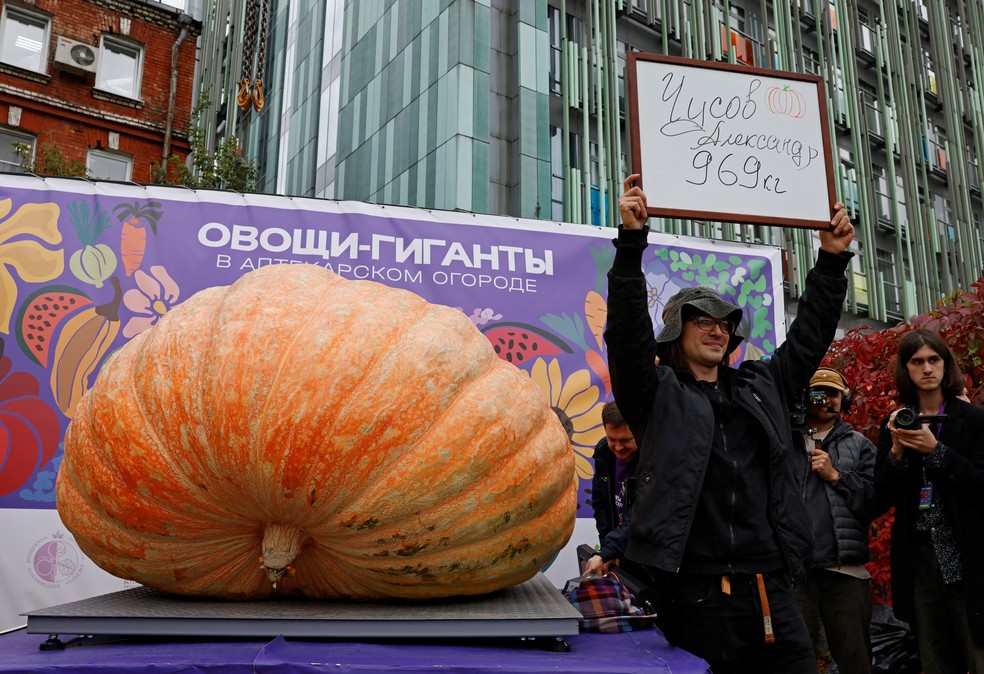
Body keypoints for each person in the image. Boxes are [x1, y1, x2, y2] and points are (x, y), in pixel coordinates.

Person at [606, 173, 855, 673]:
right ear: (677, 332)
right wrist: (631, 244)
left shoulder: (761, 385)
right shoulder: (656, 395)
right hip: (697, 595)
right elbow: (627, 339)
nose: (717, 328)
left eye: (723, 323)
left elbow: (808, 337)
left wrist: (831, 260)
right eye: (702, 320)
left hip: (771, 589)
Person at [872, 329, 984, 674]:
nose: (927, 368)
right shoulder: (894, 425)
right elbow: (878, 499)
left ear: (945, 364)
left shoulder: (976, 420)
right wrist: (896, 452)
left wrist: (937, 451)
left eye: (934, 359)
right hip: (920, 560)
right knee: (935, 661)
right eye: (917, 361)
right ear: (906, 370)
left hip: (969, 555)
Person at [791, 367, 876, 674]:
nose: (825, 399)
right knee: (793, 660)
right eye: (818, 392)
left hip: (846, 571)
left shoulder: (860, 444)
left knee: (856, 660)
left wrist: (836, 476)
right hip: (794, 573)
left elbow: (875, 499)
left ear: (845, 400)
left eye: (833, 393)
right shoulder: (783, 440)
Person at [582, 402, 639, 576]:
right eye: (612, 440)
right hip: (620, 551)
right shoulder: (603, 454)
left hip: (645, 559)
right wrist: (608, 552)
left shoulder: (652, 462)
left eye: (625, 440)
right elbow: (601, 508)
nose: (618, 447)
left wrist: (606, 552)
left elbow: (638, 517)